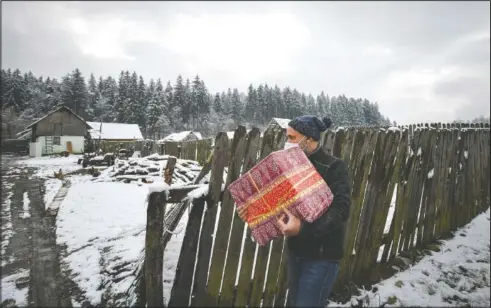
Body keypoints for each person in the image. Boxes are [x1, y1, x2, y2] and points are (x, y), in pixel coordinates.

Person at [276, 115, 351, 308]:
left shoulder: (334, 167)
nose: (288, 142)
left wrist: (303, 229)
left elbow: (341, 211)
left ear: (308, 139)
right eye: (287, 137)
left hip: (321, 257)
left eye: (292, 138)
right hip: (296, 251)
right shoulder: (291, 165)